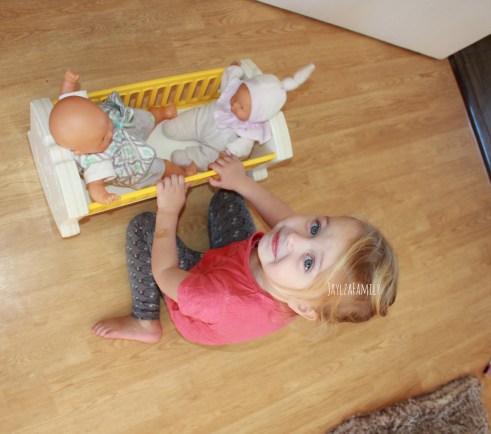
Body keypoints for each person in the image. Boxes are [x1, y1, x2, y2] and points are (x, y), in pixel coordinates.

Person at [92, 155, 398, 345]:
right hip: (235, 260)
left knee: (145, 226)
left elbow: (164, 272)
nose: (295, 238)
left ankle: (145, 322)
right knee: (230, 195)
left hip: (196, 286)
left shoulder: (217, 299)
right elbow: (285, 219)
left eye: (308, 262)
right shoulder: (297, 284)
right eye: (316, 228)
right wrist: (242, 182)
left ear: (303, 307)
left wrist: (169, 212)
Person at [49, 71, 195, 204]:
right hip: (132, 163)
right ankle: (183, 175)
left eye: (106, 122)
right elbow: (94, 186)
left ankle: (159, 114)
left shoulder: (83, 115)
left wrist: (69, 83)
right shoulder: (95, 162)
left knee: (141, 120)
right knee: (162, 167)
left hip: (124, 130)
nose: (109, 133)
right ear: (80, 151)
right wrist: (104, 196)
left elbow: (68, 98)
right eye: (102, 139)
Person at [161, 61, 315, 173]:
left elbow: (242, 149)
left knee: (209, 158)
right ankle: (178, 128)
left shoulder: (249, 133)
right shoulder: (234, 93)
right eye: (236, 97)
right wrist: (234, 69)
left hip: (214, 148)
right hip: (202, 121)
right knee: (183, 123)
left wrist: (228, 153)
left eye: (242, 107)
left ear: (256, 116)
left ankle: (189, 158)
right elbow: (229, 80)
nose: (234, 104)